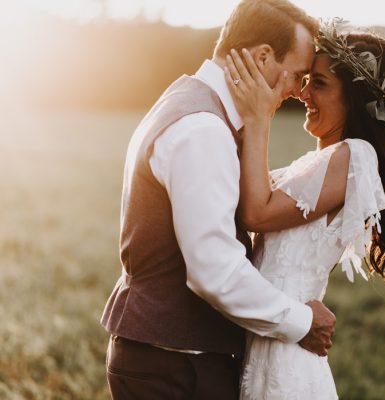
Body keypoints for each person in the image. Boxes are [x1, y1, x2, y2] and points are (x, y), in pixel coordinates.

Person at [100, 1, 337, 399]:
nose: (298, 91)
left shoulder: (189, 101)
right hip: (176, 367)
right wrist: (301, 321)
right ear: (263, 57)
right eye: (296, 75)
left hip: (170, 358)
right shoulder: (203, 129)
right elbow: (213, 269)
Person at [224, 21, 385, 399]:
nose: (303, 92)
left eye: (319, 83)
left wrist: (259, 115)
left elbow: (256, 213)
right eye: (307, 79)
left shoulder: (353, 155)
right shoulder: (318, 163)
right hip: (270, 335)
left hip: (286, 355)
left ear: (356, 100)